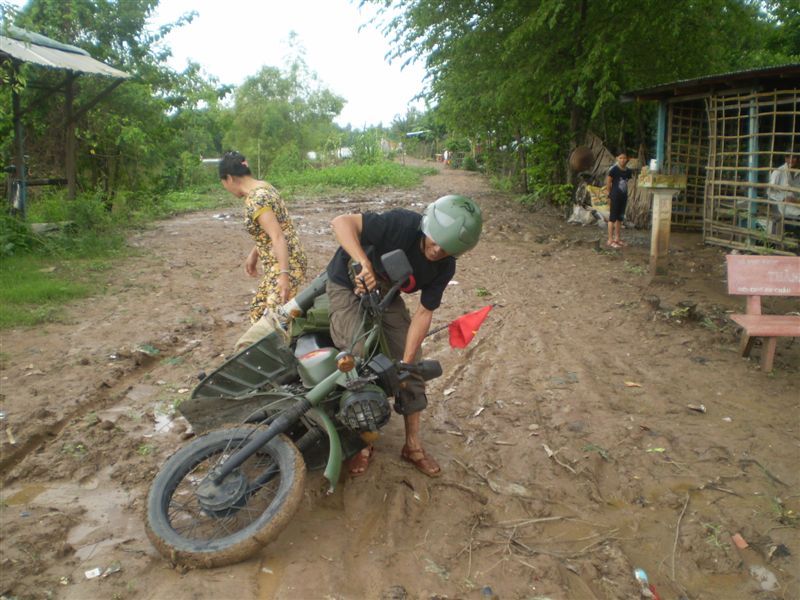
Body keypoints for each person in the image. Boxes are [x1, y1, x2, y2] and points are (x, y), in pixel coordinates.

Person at [326, 195, 482, 477]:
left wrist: (406, 363)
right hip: (346, 283)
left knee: (412, 366)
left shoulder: (444, 267)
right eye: (434, 242)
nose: (436, 251)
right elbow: (341, 222)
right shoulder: (401, 224)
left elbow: (424, 313)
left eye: (446, 249)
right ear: (426, 229)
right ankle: (363, 443)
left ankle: (412, 445)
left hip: (386, 293)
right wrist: (363, 263)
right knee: (359, 354)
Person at [218, 151, 308, 351]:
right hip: (284, 260)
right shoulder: (264, 187)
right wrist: (254, 254)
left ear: (230, 178)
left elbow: (277, 236)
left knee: (276, 318)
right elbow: (269, 232)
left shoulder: (257, 199)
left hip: (285, 262)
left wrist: (284, 275)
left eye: (223, 183)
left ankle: (287, 359)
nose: (225, 188)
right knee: (259, 311)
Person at [605, 151, 632, 248]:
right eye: (620, 158)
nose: (623, 160)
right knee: (612, 218)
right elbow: (608, 182)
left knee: (619, 218)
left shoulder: (628, 171)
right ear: (617, 158)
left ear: (627, 159)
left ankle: (617, 238)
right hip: (614, 197)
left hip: (623, 197)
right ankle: (610, 240)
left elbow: (627, 182)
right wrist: (609, 195)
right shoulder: (613, 170)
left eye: (624, 158)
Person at [768, 153, 800, 235]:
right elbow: (769, 192)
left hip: (796, 204)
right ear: (785, 158)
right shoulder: (778, 172)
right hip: (781, 205)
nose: (791, 160)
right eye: (788, 157)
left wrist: (795, 200)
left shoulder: (798, 173)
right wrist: (783, 198)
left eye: (794, 157)